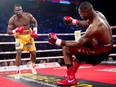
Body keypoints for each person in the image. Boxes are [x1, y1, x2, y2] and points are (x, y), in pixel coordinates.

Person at [48, 1, 113, 86]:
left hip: (99, 52)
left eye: (81, 14)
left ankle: (71, 79)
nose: (80, 16)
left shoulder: (95, 27)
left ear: (86, 12)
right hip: (102, 45)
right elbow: (87, 23)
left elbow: (78, 44)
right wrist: (73, 21)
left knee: (66, 48)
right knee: (83, 44)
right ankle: (73, 70)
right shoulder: (98, 14)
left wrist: (57, 41)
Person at [7, 4, 38, 79]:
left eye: (20, 9)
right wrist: (15, 30)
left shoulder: (28, 15)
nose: (19, 11)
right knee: (18, 52)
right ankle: (17, 71)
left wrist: (35, 30)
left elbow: (35, 22)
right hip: (19, 37)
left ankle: (33, 66)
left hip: (29, 36)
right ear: (14, 11)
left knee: (33, 53)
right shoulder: (12, 19)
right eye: (17, 10)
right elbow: (8, 31)